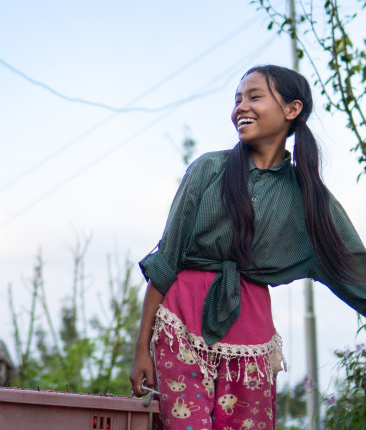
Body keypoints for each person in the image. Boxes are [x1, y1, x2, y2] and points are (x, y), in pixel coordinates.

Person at [130, 65, 366, 429]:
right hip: (181, 322)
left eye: (254, 96)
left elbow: (355, 269)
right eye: (237, 99)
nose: (241, 107)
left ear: (292, 109)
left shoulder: (309, 200)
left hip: (251, 335)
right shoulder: (208, 170)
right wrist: (141, 347)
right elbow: (166, 260)